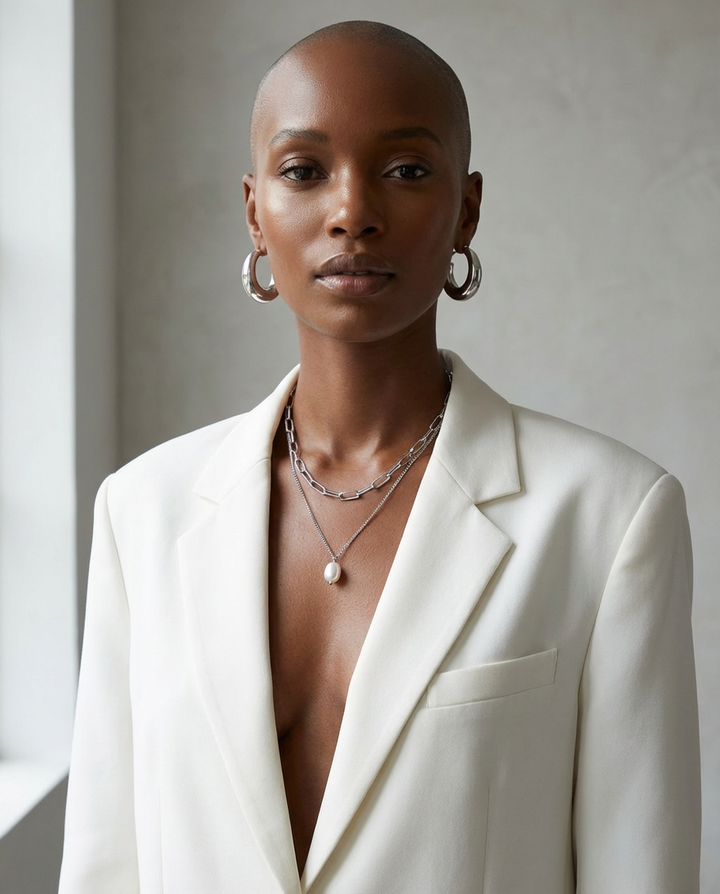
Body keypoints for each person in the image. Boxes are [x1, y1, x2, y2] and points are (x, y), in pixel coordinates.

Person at [58, 20, 700, 894]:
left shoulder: (608, 517)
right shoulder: (143, 512)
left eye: (404, 170)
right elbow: (105, 866)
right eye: (303, 171)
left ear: (466, 208)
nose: (352, 211)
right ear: (254, 210)